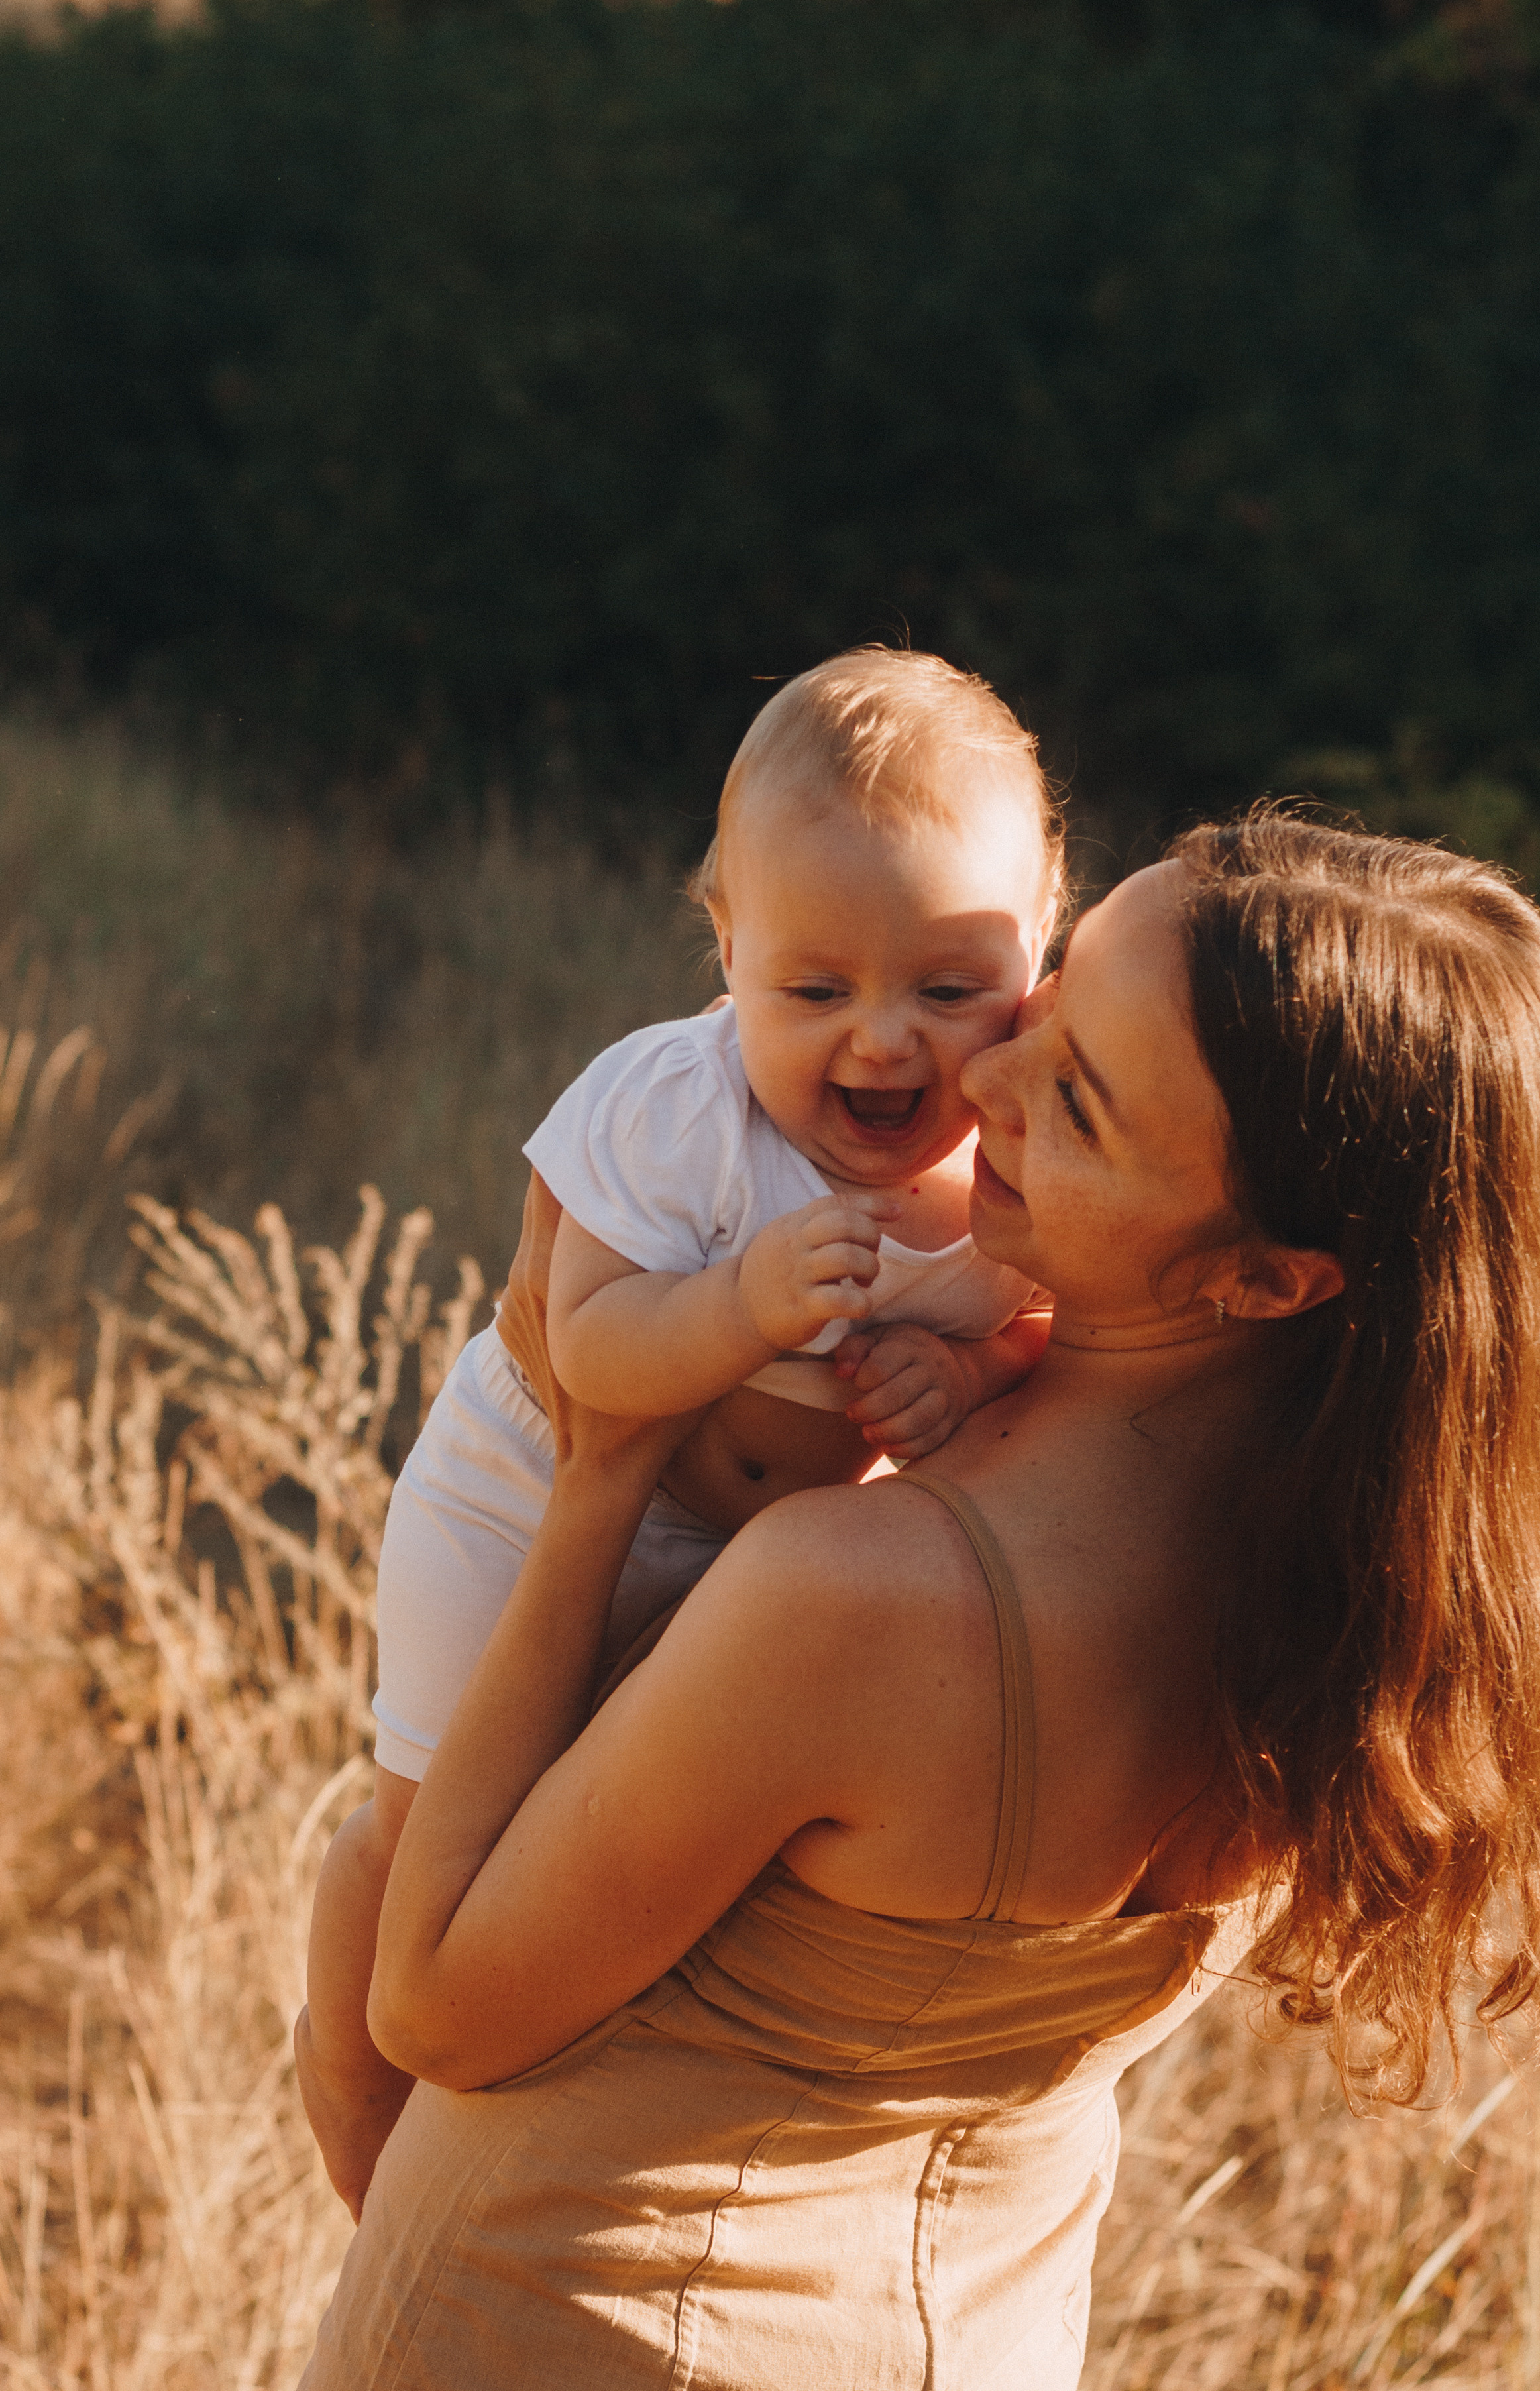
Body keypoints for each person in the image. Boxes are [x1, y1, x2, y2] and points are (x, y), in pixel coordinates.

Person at [300, 814, 1540, 2391]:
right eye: (1046, 1003)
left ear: (1267, 1275)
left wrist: (599, 1473)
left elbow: (432, 2001)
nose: (980, 1088)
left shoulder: (874, 1599)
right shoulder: (1356, 1617)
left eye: (1081, 1107)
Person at [296, 647, 1062, 2217]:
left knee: (579, 1847)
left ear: (1040, 950)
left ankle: (494, 2129)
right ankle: (352, 2100)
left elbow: (1041, 1331)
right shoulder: (680, 1110)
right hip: (523, 1496)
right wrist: (744, 1303)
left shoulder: (1016, 1175)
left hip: (726, 1568)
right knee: (429, 1827)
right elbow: (588, 1345)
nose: (887, 1042)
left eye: (947, 985)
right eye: (815, 989)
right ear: (727, 952)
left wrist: (966, 1383)